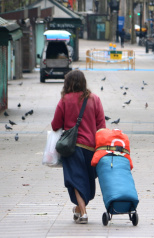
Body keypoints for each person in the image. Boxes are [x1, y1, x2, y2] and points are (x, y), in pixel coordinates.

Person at [51, 70, 106, 224]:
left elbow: (55, 125)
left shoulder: (65, 100)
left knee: (76, 180)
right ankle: (79, 210)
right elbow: (102, 126)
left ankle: (83, 213)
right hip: (91, 148)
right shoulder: (95, 99)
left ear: (68, 83)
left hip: (72, 148)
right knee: (85, 180)